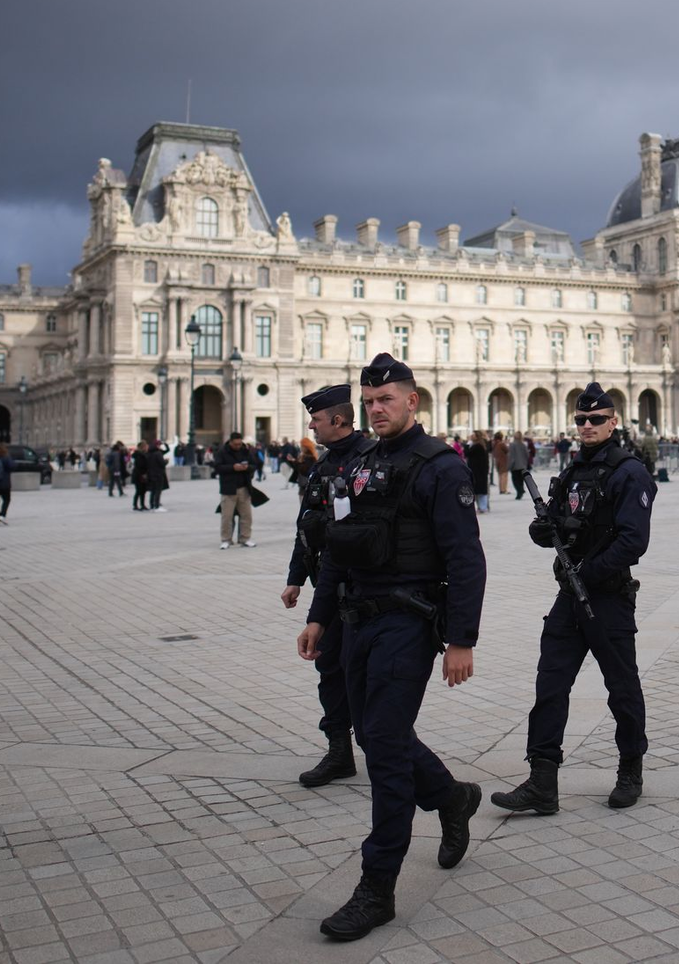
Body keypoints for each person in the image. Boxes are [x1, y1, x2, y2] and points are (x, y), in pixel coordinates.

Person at [298, 353, 486, 942]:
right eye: (369, 402)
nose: (377, 409)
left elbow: (466, 560)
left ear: (412, 401)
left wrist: (461, 640)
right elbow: (338, 547)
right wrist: (319, 617)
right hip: (356, 621)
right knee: (379, 733)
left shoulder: (441, 467)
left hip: (408, 624)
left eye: (386, 400)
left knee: (381, 750)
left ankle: (376, 888)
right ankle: (452, 798)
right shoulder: (360, 465)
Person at [492, 381, 656, 817]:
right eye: (581, 419)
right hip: (570, 595)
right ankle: (542, 780)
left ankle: (631, 768)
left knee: (621, 687)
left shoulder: (629, 472)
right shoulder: (571, 471)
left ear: (613, 422)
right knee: (550, 685)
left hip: (608, 596)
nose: (587, 425)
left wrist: (589, 571)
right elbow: (555, 524)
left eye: (596, 419)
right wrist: (542, 531)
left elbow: (633, 542)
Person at [283, 385, 367, 787]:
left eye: (315, 420)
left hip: (364, 587)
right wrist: (295, 578)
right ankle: (339, 751)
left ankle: (385, 747)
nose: (311, 427)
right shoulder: (323, 464)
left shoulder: (369, 460)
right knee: (329, 668)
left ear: (337, 419)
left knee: (362, 671)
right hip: (328, 586)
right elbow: (307, 526)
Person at [215, 431, 256, 547]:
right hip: (228, 489)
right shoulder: (222, 452)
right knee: (227, 517)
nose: (238, 446)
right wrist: (233, 467)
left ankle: (245, 538)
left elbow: (254, 465)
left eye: (239, 444)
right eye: (235, 444)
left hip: (244, 488)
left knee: (246, 516)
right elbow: (217, 467)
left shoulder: (245, 451)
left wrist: (247, 467)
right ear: (230, 442)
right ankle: (226, 539)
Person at [466, 431, 490, 513]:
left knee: (479, 490)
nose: (471, 436)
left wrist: (467, 444)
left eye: (473, 435)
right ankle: (482, 507)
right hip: (479, 471)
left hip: (477, 471)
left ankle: (482, 507)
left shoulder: (477, 446)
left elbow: (467, 453)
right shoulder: (480, 445)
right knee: (479, 490)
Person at [146, 440, 169, 511]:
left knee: (153, 490)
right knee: (158, 490)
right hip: (158, 474)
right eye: (159, 445)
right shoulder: (158, 453)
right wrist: (166, 461)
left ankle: (152, 505)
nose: (160, 446)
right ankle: (157, 505)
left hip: (151, 474)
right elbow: (162, 463)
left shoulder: (149, 453)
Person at [508, 430, 529, 500]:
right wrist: (525, 462)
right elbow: (527, 454)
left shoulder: (512, 445)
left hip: (515, 466)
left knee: (515, 480)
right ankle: (520, 491)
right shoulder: (523, 445)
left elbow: (511, 456)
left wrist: (510, 465)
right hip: (523, 465)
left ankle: (520, 491)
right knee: (521, 480)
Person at [131, 441, 150, 510]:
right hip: (139, 475)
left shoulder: (143, 455)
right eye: (146, 446)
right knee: (139, 491)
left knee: (143, 491)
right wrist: (143, 474)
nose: (147, 448)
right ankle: (135, 505)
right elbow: (139, 466)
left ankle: (142, 504)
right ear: (143, 447)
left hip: (142, 475)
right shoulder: (139, 455)